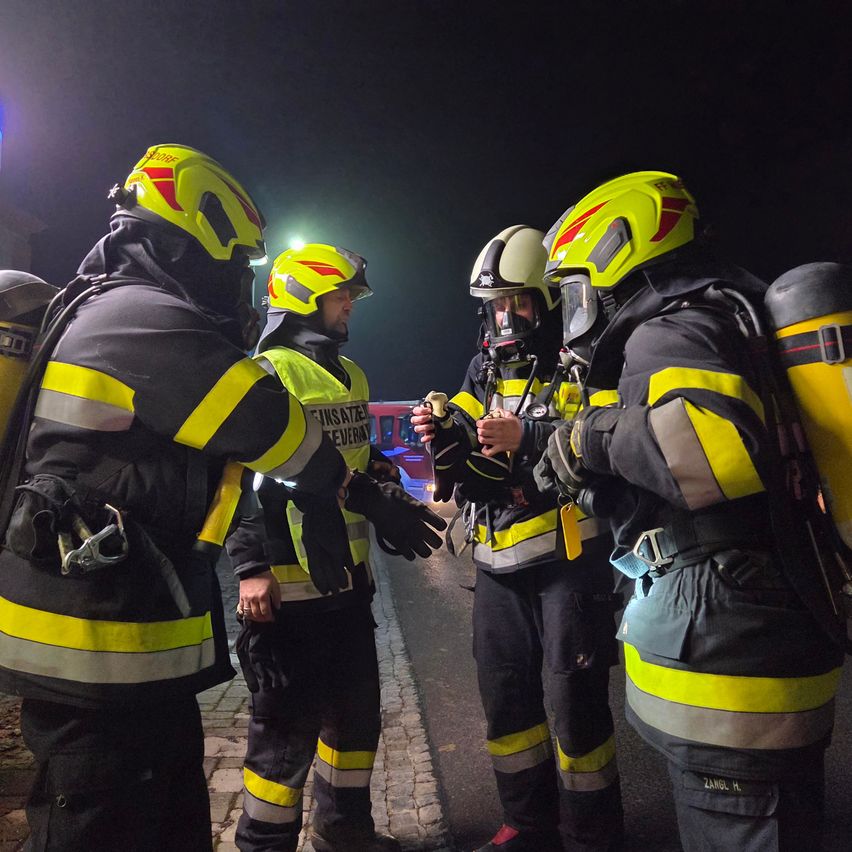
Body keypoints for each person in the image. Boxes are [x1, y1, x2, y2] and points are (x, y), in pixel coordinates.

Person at [0, 145, 364, 852]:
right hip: (95, 656)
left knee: (166, 822)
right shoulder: (145, 320)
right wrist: (342, 484)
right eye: (235, 262)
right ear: (189, 244)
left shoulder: (112, 308)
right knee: (101, 829)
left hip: (129, 649)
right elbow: (276, 429)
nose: (240, 281)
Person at [534, 171, 846, 851]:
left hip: (731, 668)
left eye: (574, 286)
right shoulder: (733, 313)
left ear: (617, 253)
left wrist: (591, 434)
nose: (574, 306)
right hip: (761, 639)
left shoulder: (669, 330)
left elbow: (711, 456)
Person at [411, 226, 624, 852]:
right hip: (496, 561)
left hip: (568, 565)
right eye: (496, 304)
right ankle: (529, 827)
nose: (506, 317)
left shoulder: (586, 360)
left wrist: (523, 443)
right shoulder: (482, 367)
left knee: (576, 708)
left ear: (549, 302)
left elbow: (596, 448)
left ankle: (593, 835)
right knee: (506, 703)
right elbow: (460, 438)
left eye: (519, 303)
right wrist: (439, 429)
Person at [228, 243, 445, 852]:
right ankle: (262, 843)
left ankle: (345, 832)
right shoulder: (265, 374)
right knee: (283, 734)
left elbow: (353, 459)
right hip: (288, 590)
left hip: (348, 583)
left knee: (355, 719)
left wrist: (386, 489)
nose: (350, 304)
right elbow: (239, 480)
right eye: (340, 295)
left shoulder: (352, 376)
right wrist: (250, 570)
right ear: (302, 300)